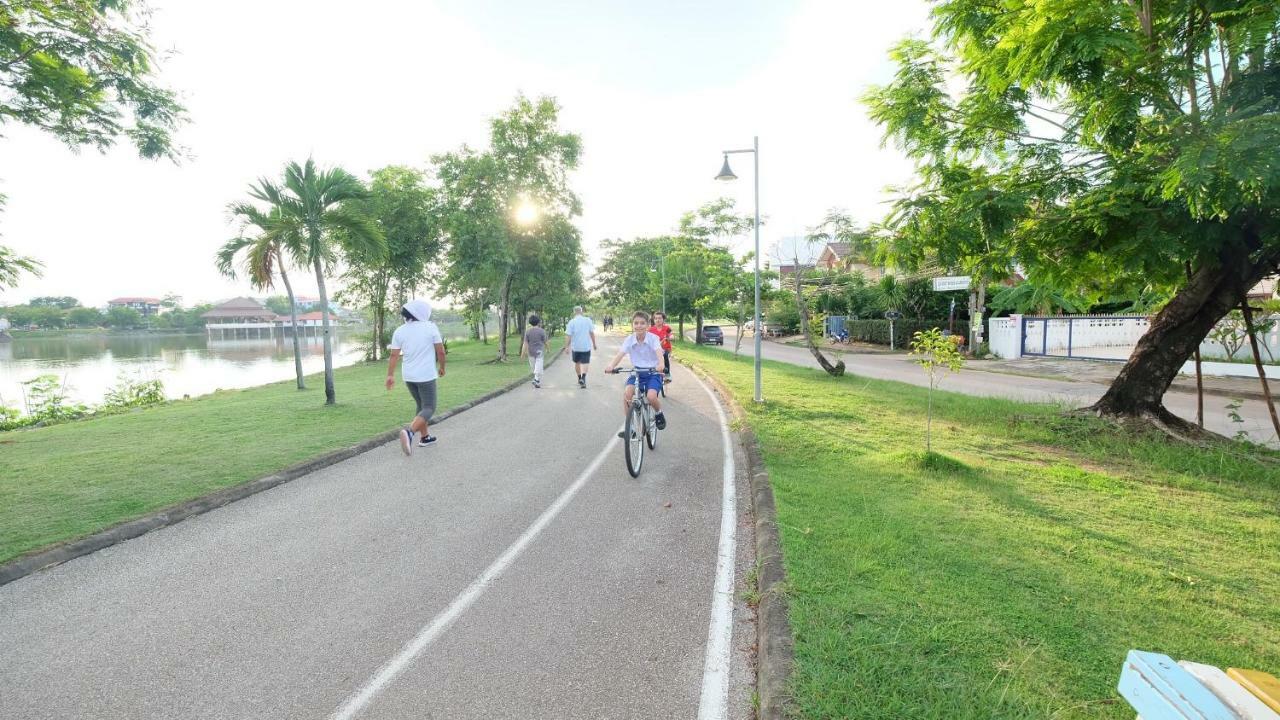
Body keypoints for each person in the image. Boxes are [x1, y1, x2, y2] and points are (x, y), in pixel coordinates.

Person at [385, 299, 446, 455]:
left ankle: (425, 437)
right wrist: (442, 367)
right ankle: (410, 432)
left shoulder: (400, 331)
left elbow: (393, 355)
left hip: (409, 376)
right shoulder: (430, 328)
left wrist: (390, 375)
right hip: (425, 375)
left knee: (421, 406)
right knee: (429, 407)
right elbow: (440, 351)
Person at [603, 311, 667, 438]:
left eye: (642, 323)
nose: (639, 326)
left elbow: (659, 354)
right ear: (632, 325)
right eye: (636, 323)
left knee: (651, 396)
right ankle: (631, 428)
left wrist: (661, 364)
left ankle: (659, 413)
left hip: (653, 372)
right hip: (637, 371)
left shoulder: (653, 338)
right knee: (627, 394)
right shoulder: (629, 339)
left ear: (648, 325)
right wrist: (611, 366)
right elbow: (620, 354)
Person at [565, 305, 597, 389]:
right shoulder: (588, 320)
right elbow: (592, 333)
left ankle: (579, 378)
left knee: (577, 363)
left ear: (574, 312)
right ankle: (583, 378)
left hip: (576, 347)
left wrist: (566, 347)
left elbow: (568, 335)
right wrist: (594, 344)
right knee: (585, 363)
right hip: (586, 346)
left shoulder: (571, 322)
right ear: (581, 312)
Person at [520, 314, 548, 389]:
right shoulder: (542, 331)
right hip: (539, 351)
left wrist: (522, 354)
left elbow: (525, 343)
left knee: (535, 367)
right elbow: (546, 341)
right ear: (538, 322)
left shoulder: (528, 332)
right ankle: (537, 380)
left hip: (530, 352)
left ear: (530, 322)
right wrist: (548, 348)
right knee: (536, 368)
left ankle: (536, 380)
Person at [649, 311, 674, 381]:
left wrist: (671, 337)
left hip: (666, 348)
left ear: (663, 319)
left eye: (660, 318)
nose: (658, 320)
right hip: (655, 349)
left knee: (665, 355)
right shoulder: (651, 329)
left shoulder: (667, 328)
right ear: (653, 320)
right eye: (656, 318)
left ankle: (667, 374)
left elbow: (671, 334)